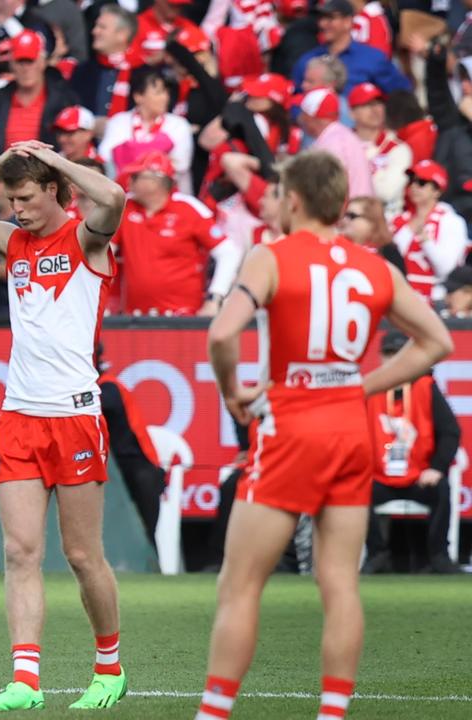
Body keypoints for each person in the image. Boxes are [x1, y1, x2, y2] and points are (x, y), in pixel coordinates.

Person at [195, 150, 453, 720]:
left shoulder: (271, 256)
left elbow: (221, 334)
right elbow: (437, 342)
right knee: (339, 582)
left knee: (240, 585)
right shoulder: (376, 267)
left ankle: (213, 713)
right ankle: (332, 713)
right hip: (348, 430)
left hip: (291, 424)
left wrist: (232, 389)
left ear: (292, 199)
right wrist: (361, 387)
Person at [0, 140, 130, 711]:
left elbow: (112, 195)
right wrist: (0, 164)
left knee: (83, 555)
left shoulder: (87, 239)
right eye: (9, 198)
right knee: (20, 551)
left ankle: (109, 667)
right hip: (19, 415)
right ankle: (25, 682)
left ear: (53, 192)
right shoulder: (13, 241)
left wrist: (55, 160)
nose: (15, 208)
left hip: (74, 415)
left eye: (24, 197)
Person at [363, 331, 462, 575]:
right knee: (354, 490)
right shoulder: (368, 389)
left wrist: (436, 467)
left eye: (399, 354)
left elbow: (450, 431)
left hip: (419, 475)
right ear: (380, 357)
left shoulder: (425, 387)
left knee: (441, 489)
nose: (394, 360)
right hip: (379, 475)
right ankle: (377, 554)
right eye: (389, 354)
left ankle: (439, 555)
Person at [112, 152, 241, 316]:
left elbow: (228, 253)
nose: (128, 181)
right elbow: (103, 250)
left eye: (136, 176)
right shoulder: (124, 207)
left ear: (156, 181)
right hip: (134, 316)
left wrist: (215, 298)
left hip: (182, 316)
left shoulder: (188, 208)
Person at [95, 345, 165, 546]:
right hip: (114, 472)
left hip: (139, 469)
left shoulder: (109, 387)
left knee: (145, 535)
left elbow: (92, 405)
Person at [0, 30, 76, 153]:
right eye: (20, 62)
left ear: (42, 62)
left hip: (50, 169)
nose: (25, 68)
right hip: (5, 169)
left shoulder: (64, 100)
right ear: (11, 65)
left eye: (30, 61)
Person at [97, 67, 194, 192]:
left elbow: (180, 164)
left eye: (166, 92)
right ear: (138, 96)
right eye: (158, 93)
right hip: (126, 198)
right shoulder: (119, 121)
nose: (165, 97)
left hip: (171, 197)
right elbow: (106, 157)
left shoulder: (179, 124)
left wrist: (130, 152)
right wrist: (159, 151)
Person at [291, 0, 410, 95]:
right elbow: (295, 99)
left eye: (330, 18)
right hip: (316, 123)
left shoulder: (372, 59)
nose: (323, 24)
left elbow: (402, 95)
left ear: (347, 22)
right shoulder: (308, 60)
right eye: (321, 18)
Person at [390, 160, 469, 303]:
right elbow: (389, 261)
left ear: (437, 191)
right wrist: (409, 230)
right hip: (399, 296)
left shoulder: (451, 221)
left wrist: (426, 241)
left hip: (435, 297)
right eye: (411, 181)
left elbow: (447, 269)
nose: (414, 186)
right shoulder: (398, 219)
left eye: (421, 183)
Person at [297, 88, 374, 200]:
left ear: (311, 117)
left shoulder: (333, 143)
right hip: (358, 208)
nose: (300, 119)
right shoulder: (341, 134)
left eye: (303, 114)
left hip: (351, 211)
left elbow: (330, 191)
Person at [348, 83, 411, 213]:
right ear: (352, 113)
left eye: (378, 103)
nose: (375, 110)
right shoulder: (342, 144)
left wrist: (356, 168)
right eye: (367, 104)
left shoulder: (398, 149)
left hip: (387, 220)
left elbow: (386, 193)